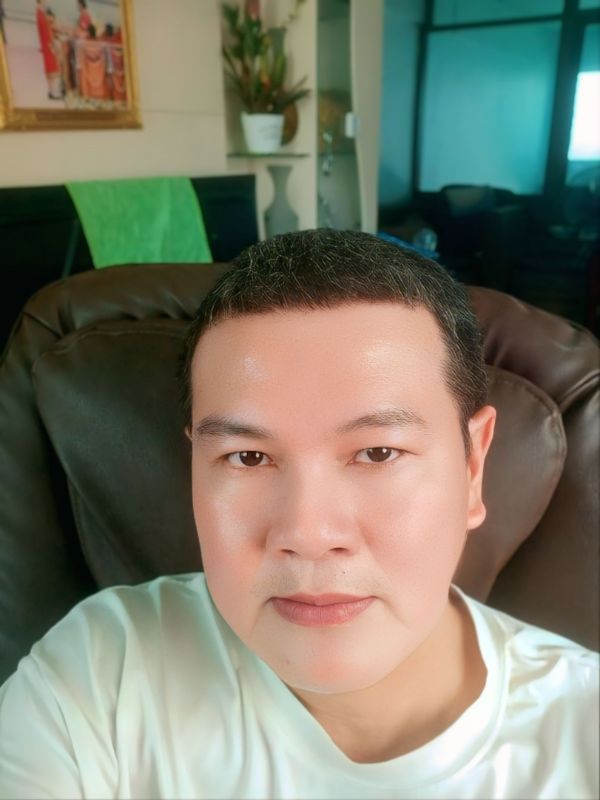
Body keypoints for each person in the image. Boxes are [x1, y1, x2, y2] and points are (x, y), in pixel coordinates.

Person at [0, 229, 597, 799]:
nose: (309, 535)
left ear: (472, 468)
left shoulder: (583, 730)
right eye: (248, 456)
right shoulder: (100, 674)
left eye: (378, 452)